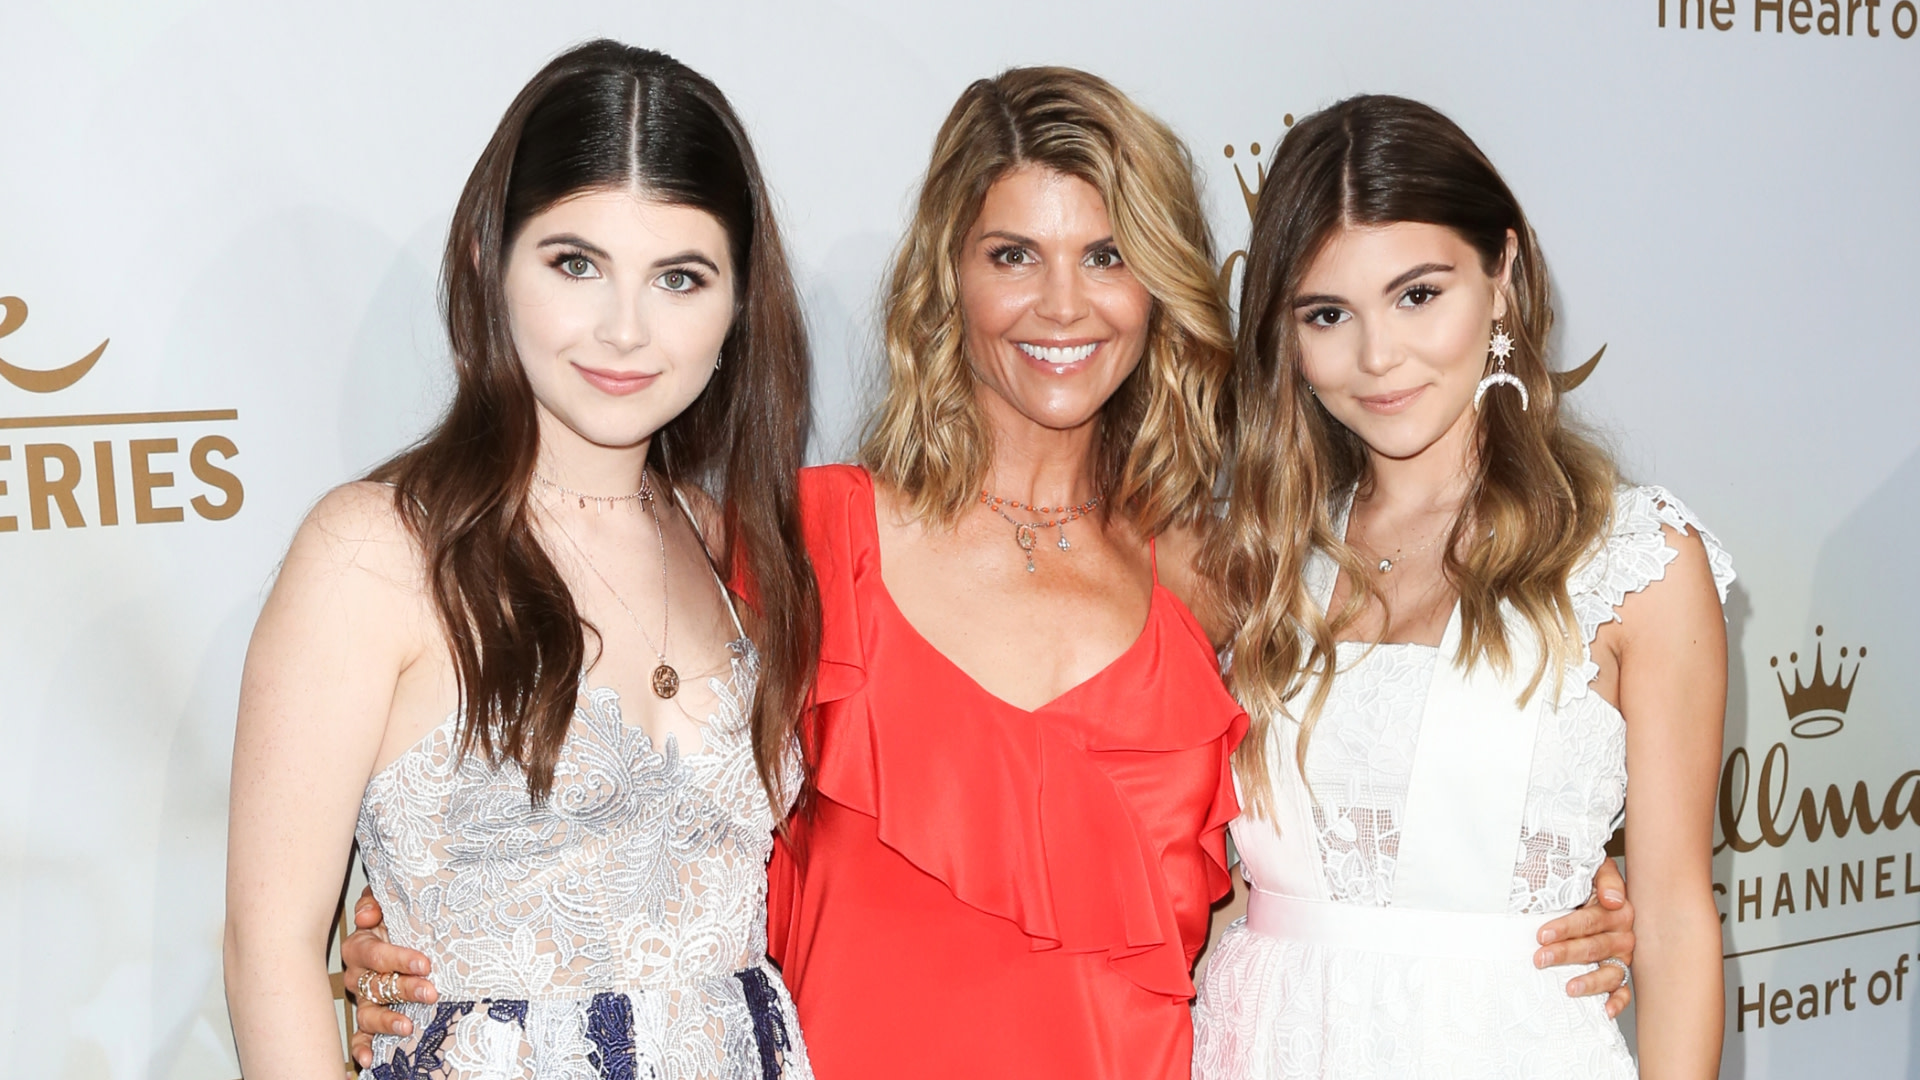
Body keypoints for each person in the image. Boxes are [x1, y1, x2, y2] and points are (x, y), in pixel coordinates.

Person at [343, 69, 1640, 1079]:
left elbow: (1365, 813)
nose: (1061, 305)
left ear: (1161, 291)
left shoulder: (1226, 572)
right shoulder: (799, 543)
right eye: (1013, 253)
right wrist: (410, 933)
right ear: (946, 281)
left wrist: (1562, 900)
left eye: (1108, 255)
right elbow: (601, 796)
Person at [223, 41, 820, 1080]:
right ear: (491, 262)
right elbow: (269, 952)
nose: (625, 329)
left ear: (738, 306)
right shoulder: (376, 551)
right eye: (575, 263)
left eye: (680, 277)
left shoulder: (737, 543)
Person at [1190, 94, 1730, 1079]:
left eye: (1418, 295)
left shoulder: (1634, 560)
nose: (1377, 357)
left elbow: (1678, 923)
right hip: (1254, 1045)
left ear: (1504, 275)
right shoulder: (1253, 557)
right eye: (1327, 314)